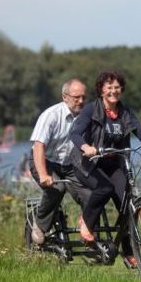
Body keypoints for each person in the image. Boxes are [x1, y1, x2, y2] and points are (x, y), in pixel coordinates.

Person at [69, 71, 141, 265]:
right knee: (104, 188)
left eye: (117, 87)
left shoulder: (124, 112)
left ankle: (129, 253)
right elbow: (75, 133)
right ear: (101, 90)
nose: (114, 91)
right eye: (109, 87)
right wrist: (86, 147)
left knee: (127, 204)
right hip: (89, 162)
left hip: (114, 163)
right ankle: (86, 223)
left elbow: (139, 129)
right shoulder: (91, 110)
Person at [28, 78, 93, 245]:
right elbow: (38, 146)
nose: (81, 101)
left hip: (70, 164)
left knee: (92, 194)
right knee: (57, 188)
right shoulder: (51, 115)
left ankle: (88, 232)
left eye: (83, 97)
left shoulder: (86, 116)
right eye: (76, 97)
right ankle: (40, 225)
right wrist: (43, 174)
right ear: (65, 96)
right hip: (44, 160)